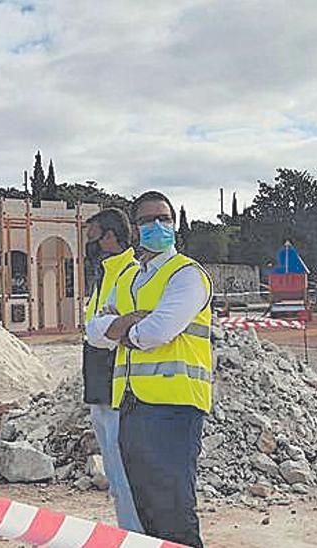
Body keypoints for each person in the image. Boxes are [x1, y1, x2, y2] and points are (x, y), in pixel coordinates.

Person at [85, 191, 213, 547]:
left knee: (173, 509)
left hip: (175, 406)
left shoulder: (186, 275)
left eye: (165, 219)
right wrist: (128, 324)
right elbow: (93, 332)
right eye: (148, 220)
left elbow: (156, 332)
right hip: (130, 403)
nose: (158, 226)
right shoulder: (129, 279)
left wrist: (121, 331)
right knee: (145, 508)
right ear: (136, 229)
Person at [81, 208, 142, 532]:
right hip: (98, 389)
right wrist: (103, 325)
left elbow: (114, 333)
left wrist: (104, 326)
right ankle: (127, 534)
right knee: (116, 480)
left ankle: (137, 537)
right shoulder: (104, 274)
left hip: (119, 390)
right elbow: (95, 328)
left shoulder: (130, 274)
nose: (87, 243)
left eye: (91, 235)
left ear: (109, 237)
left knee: (127, 478)